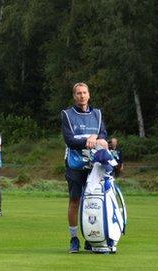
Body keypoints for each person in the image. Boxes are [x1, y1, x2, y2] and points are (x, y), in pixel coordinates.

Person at [61, 82, 108, 253]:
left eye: (85, 92)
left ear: (89, 95)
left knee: (93, 202)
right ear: (74, 96)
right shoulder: (66, 114)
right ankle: (74, 238)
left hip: (95, 166)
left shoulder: (98, 114)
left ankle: (91, 236)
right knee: (75, 201)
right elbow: (69, 140)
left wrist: (95, 136)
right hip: (75, 165)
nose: (82, 96)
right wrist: (88, 140)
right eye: (79, 93)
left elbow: (103, 134)